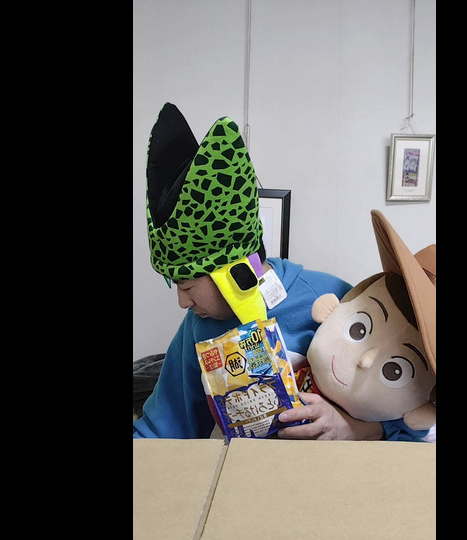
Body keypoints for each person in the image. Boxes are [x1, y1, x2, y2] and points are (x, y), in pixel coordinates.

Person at [132, 103, 403, 440]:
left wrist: (356, 429)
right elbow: (163, 427)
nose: (182, 303)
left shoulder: (333, 298)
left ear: (235, 272)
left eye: (188, 287)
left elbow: (414, 415)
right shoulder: (197, 327)